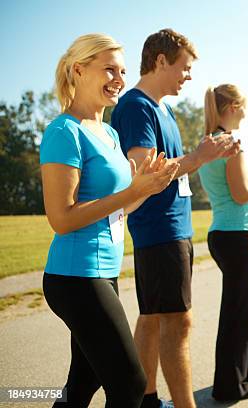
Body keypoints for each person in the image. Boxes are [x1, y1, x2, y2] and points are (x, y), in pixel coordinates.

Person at [41, 33, 179, 407]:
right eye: (108, 69)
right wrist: (133, 191)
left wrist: (146, 188)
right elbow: (62, 218)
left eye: (122, 70)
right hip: (75, 276)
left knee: (82, 383)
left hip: (105, 271)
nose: (119, 78)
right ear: (78, 70)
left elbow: (118, 208)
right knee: (131, 385)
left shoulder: (112, 133)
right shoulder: (63, 132)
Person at [111, 29, 238, 408]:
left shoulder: (162, 108)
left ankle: (146, 400)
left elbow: (172, 169)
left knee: (152, 318)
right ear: (161, 60)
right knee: (178, 323)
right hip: (158, 228)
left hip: (173, 227)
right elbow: (142, 176)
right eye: (184, 68)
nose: (189, 76)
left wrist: (203, 157)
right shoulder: (136, 106)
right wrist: (199, 157)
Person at [197, 84, 248, 401]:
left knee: (242, 303)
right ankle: (229, 384)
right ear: (231, 107)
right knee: (237, 309)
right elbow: (242, 194)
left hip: (221, 234)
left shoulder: (208, 143)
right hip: (237, 235)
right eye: (243, 106)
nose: (246, 112)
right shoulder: (230, 145)